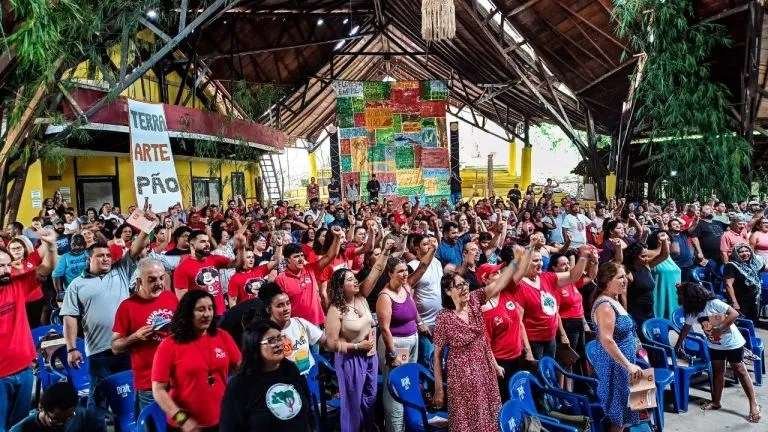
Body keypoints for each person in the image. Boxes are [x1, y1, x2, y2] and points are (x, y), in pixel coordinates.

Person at [61, 225, 149, 409]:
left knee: (132, 397)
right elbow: (69, 318)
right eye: (101, 256)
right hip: (98, 352)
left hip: (128, 345)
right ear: (89, 258)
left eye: (108, 255)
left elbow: (137, 248)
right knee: (98, 400)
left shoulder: (121, 271)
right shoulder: (76, 285)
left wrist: (146, 228)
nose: (106, 259)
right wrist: (71, 349)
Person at [431, 263, 519, 432]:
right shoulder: (443, 317)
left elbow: (499, 283)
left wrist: (494, 364)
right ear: (448, 292)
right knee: (466, 419)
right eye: (458, 286)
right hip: (461, 377)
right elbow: (437, 355)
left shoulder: (474, 300)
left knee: (489, 414)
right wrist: (439, 388)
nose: (464, 289)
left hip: (484, 370)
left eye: (465, 284)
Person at [323, 244, 392, 432]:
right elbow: (330, 344)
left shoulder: (361, 296)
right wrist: (356, 346)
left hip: (370, 355)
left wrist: (386, 250)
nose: (355, 281)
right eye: (349, 280)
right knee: (352, 404)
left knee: (370, 398)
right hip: (350, 359)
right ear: (340, 286)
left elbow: (377, 270)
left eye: (354, 278)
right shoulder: (335, 309)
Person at [151, 290, 241, 431]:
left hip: (222, 420)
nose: (207, 314)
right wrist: (182, 420)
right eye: (201, 309)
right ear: (187, 313)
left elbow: (241, 368)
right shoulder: (169, 345)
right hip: (184, 426)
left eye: (210, 308)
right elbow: (158, 390)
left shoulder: (222, 336)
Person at [675, 282, 761, 423]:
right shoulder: (693, 309)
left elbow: (734, 313)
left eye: (681, 296)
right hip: (715, 345)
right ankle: (716, 402)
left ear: (690, 296)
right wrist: (678, 344)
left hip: (732, 343)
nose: (680, 298)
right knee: (718, 372)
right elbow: (686, 327)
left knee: (740, 371)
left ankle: (753, 404)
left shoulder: (713, 303)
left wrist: (720, 327)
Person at [0, 230, 57, 432]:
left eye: (8, 265)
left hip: (24, 370)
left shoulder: (16, 284)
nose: (6, 270)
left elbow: (46, 268)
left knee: (21, 426)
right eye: (1, 266)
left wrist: (50, 246)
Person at [220, 320, 313, 432]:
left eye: (280, 338)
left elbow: (307, 408)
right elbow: (230, 427)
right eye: (271, 341)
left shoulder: (290, 368)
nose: (278, 344)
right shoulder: (240, 384)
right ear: (254, 345)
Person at [111, 258, 178, 411]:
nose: (159, 283)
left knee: (180, 421)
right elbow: (115, 347)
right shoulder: (127, 307)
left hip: (177, 379)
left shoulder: (170, 297)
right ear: (139, 281)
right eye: (152, 280)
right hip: (150, 385)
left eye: (161, 278)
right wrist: (135, 337)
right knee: (153, 425)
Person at [514, 234, 590, 359]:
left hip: (551, 338)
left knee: (551, 373)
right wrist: (528, 350)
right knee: (540, 376)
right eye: (535, 260)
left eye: (540, 260)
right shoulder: (520, 286)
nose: (540, 263)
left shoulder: (547, 277)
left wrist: (583, 257)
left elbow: (573, 276)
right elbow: (519, 322)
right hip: (534, 342)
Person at [590, 262, 643, 432]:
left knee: (632, 410)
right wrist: (628, 365)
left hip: (628, 361)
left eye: (624, 276)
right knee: (619, 415)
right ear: (607, 280)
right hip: (617, 367)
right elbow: (607, 340)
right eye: (620, 277)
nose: (625, 280)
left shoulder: (614, 299)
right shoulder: (605, 306)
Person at [477, 253, 533, 401]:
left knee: (520, 395)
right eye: (495, 273)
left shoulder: (507, 292)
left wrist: (530, 249)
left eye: (500, 271)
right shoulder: (483, 310)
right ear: (484, 279)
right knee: (505, 399)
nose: (500, 274)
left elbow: (521, 273)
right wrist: (494, 365)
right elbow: (485, 343)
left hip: (518, 356)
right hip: (501, 362)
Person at [376, 258, 421, 432]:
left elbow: (413, 310)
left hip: (412, 340)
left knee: (408, 381)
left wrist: (420, 323)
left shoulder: (406, 287)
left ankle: (408, 423)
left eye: (405, 271)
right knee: (394, 386)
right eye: (400, 271)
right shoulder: (385, 296)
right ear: (390, 274)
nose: (404, 274)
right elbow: (385, 329)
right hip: (396, 344)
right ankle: (394, 427)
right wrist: (392, 353)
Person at [173, 230, 245, 317]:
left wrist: (241, 248)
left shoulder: (213, 259)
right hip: (202, 316)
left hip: (220, 313)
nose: (207, 244)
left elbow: (237, 265)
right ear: (192, 245)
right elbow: (183, 301)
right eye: (203, 241)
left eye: (208, 241)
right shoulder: (182, 268)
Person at [10, 381, 105, 432]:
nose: (62, 424)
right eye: (55, 419)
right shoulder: (21, 430)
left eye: (69, 417)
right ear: (41, 408)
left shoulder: (84, 417)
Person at [724, 244, 767, 324]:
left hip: (754, 300)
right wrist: (734, 303)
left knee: (752, 323)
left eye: (747, 251)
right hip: (741, 301)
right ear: (736, 254)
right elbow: (728, 285)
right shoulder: (731, 266)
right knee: (742, 324)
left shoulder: (753, 265)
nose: (745, 254)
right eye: (741, 252)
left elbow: (765, 268)